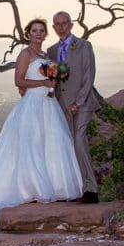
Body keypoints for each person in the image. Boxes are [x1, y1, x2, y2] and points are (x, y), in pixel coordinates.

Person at [0, 18, 82, 231]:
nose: (38, 34)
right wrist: (43, 83)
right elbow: (18, 82)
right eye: (34, 30)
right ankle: (30, 188)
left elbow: (54, 80)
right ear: (29, 34)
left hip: (48, 106)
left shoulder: (46, 56)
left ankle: (50, 187)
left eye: (41, 31)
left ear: (46, 34)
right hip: (31, 107)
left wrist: (53, 82)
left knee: (50, 145)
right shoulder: (25, 54)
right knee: (29, 148)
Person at [47, 11, 101, 203]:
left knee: (79, 141)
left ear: (71, 25)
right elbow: (53, 79)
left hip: (83, 103)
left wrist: (78, 102)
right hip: (62, 105)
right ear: (53, 27)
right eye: (57, 24)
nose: (61, 27)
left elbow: (89, 75)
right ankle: (75, 189)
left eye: (64, 23)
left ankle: (91, 190)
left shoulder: (84, 46)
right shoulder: (51, 51)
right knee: (67, 145)